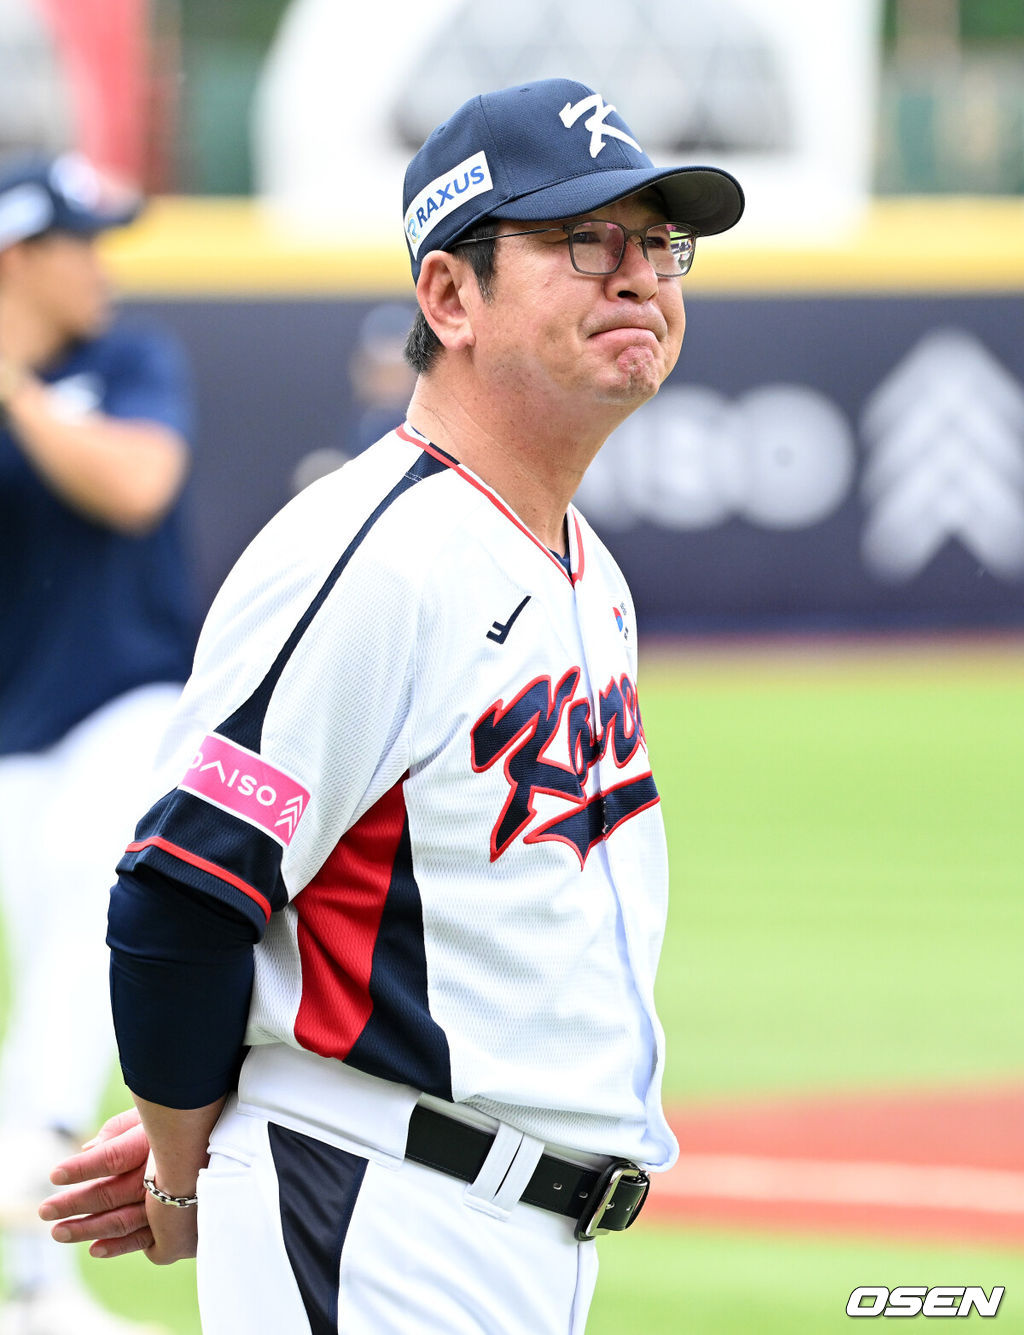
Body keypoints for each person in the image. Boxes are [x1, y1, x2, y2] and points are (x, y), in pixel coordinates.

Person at [38, 79, 743, 1334]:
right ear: (448, 297)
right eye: (585, 239)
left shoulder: (582, 565)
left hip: (487, 1219)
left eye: (658, 244)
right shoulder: (378, 553)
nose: (637, 274)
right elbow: (181, 886)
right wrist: (182, 1161)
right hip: (373, 1213)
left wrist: (203, 1121)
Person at [0, 151, 196, 1335]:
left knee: (101, 901)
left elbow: (137, 484)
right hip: (10, 737)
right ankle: (31, 1282)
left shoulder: (127, 361)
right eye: (82, 243)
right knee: (54, 966)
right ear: (21, 255)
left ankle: (32, 1161)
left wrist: (14, 389)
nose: (103, 267)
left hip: (131, 703)